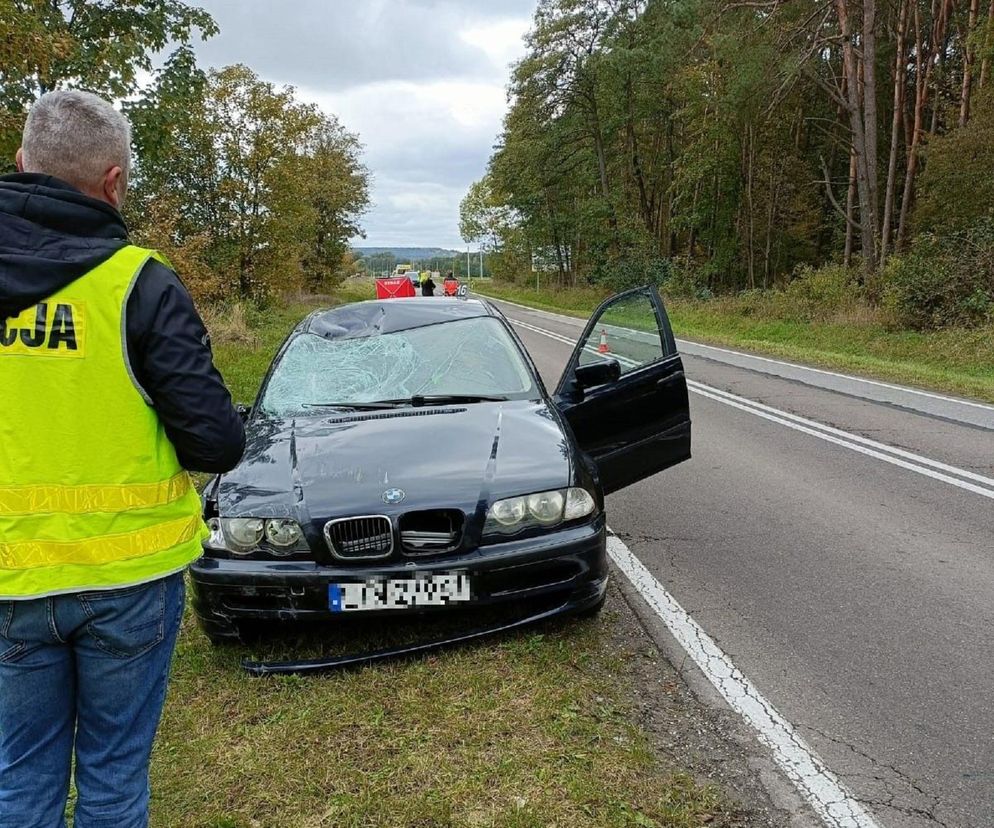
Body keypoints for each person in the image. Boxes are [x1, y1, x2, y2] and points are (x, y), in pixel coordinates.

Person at [0, 90, 245, 827]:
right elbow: (215, 442)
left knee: (17, 778)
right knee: (111, 777)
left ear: (20, 164)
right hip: (129, 580)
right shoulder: (140, 282)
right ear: (113, 182)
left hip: (8, 579)